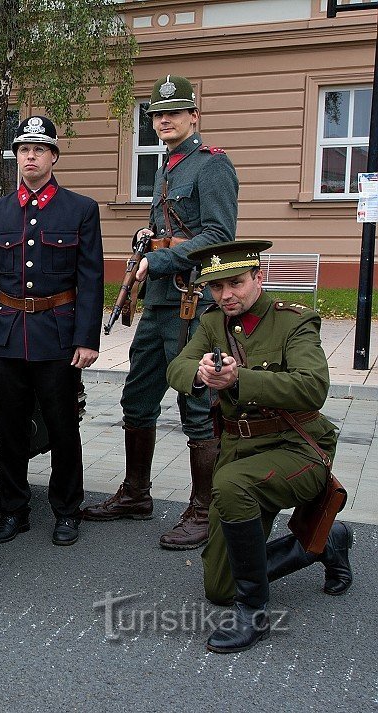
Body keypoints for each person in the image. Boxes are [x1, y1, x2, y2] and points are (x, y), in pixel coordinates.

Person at [166, 240, 352, 653]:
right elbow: (176, 366)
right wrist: (198, 374)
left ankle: (254, 611)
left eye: (235, 283)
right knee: (217, 588)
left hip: (297, 450)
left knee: (231, 484)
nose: (226, 295)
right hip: (241, 450)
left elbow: (313, 387)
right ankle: (325, 540)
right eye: (216, 287)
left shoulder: (296, 322)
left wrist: (239, 380)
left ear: (258, 277)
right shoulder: (213, 323)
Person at [82, 74, 239, 550]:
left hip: (194, 306)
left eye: (174, 112)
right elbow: (170, 227)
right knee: (138, 396)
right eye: (156, 114)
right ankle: (135, 492)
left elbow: (218, 235)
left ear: (194, 116)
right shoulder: (167, 166)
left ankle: (203, 509)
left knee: (197, 404)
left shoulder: (211, 166)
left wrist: (162, 258)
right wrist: (148, 249)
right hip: (160, 303)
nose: (164, 120)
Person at [0, 115, 104, 546]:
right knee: (10, 429)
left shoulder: (80, 209)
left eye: (39, 149)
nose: (31, 156)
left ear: (53, 157)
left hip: (59, 338)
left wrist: (87, 339)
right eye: (24, 149)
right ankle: (13, 510)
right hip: (9, 337)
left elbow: (91, 279)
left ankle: (67, 511)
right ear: (17, 157)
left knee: (63, 428)